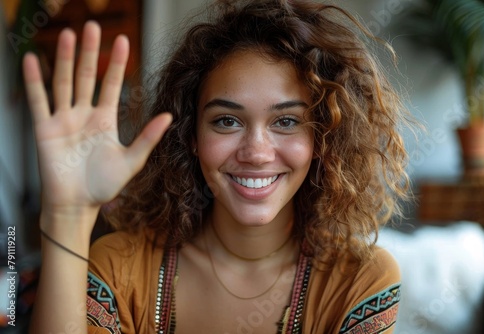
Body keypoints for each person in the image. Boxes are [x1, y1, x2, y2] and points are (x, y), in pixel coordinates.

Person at [23, 0, 411, 333]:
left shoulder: (361, 280)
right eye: (227, 120)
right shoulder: (119, 266)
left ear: (322, 139)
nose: (256, 152)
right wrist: (67, 216)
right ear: (191, 136)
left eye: (286, 121)